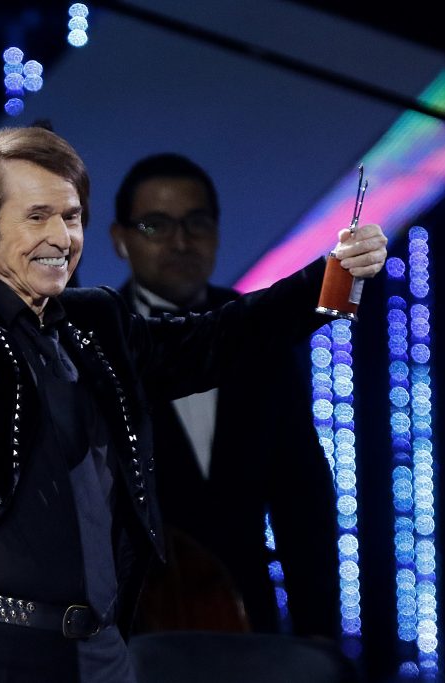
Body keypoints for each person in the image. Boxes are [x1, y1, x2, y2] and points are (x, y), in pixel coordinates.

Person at [0, 127, 387, 682]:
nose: (61, 237)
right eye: (37, 216)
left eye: (71, 216)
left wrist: (329, 278)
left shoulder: (97, 324)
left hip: (99, 653)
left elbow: (216, 341)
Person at [109, 153, 341, 638]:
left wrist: (319, 640)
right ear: (120, 239)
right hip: (130, 631)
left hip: (245, 624)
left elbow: (301, 498)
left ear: (216, 232)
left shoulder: (261, 330)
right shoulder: (99, 343)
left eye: (196, 223)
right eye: (156, 225)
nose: (180, 242)